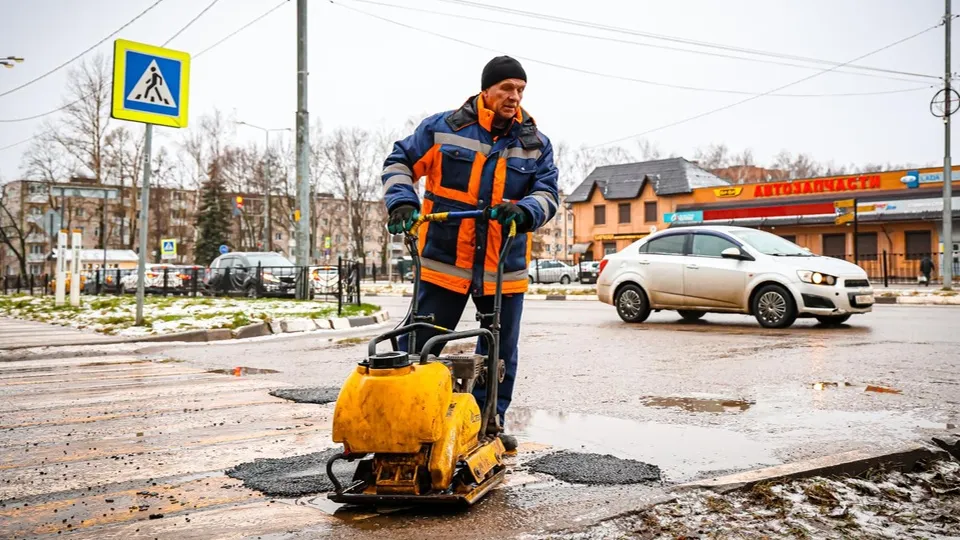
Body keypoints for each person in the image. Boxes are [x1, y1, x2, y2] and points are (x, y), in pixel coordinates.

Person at [381, 56, 559, 451]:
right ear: (487, 90)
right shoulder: (443, 128)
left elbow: (548, 195)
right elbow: (400, 161)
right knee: (419, 345)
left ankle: (487, 423)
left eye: (521, 90)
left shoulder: (535, 145)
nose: (515, 97)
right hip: (446, 260)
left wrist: (525, 210)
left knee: (498, 352)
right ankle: (406, 419)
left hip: (502, 267)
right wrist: (401, 202)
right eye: (507, 89)